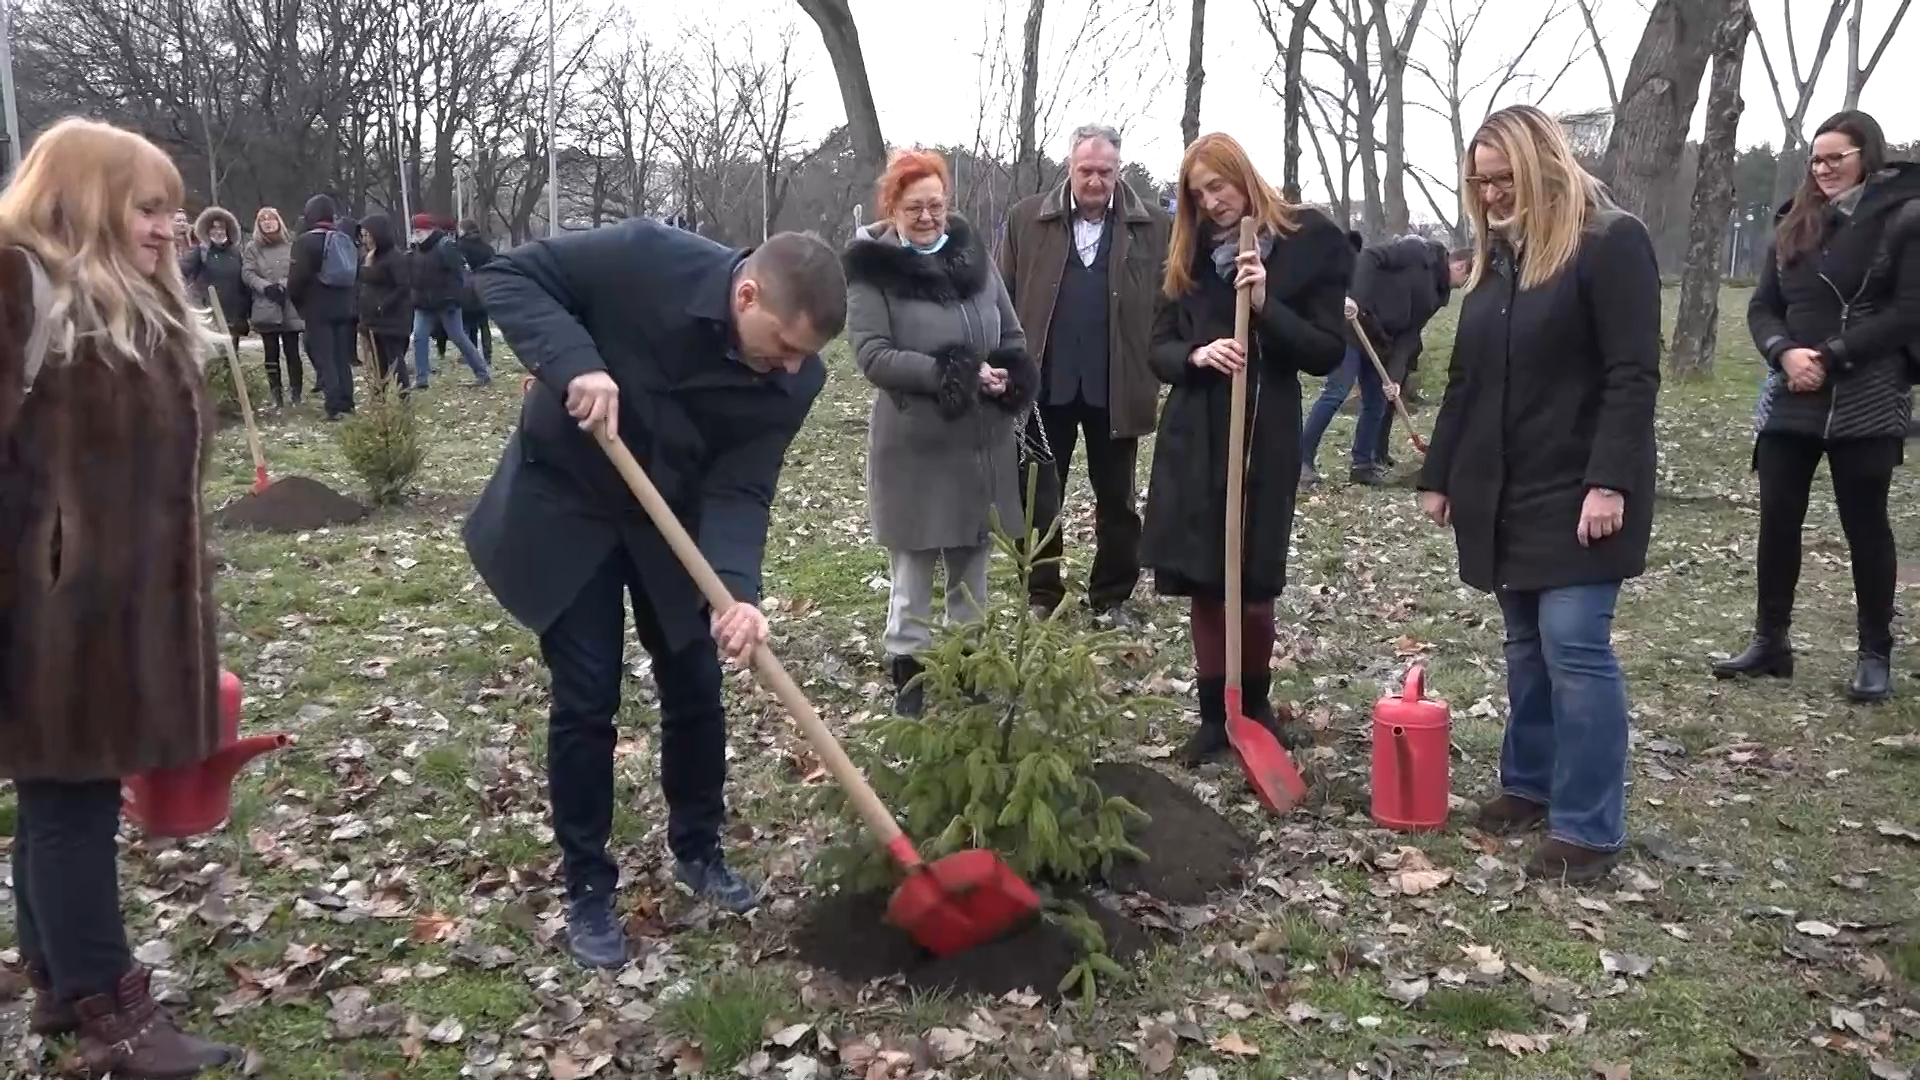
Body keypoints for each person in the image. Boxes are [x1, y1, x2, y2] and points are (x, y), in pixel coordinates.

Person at [465, 221, 846, 968]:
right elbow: (506, 276)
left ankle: (699, 848)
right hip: (568, 501)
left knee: (697, 682)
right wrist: (575, 362)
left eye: (806, 354)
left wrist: (736, 593)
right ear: (746, 293)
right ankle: (586, 887)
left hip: (673, 519)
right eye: (785, 343)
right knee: (587, 693)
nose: (791, 367)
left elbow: (743, 485)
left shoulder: (796, 378)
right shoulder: (645, 259)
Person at [0, 116, 236, 1078]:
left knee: (61, 795)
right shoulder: (17, 287)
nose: (168, 228)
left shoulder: (133, 303)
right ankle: (115, 1013)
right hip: (48, 617)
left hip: (117, 611)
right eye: (148, 207)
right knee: (70, 802)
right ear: (89, 200)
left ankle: (57, 978)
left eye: (175, 212)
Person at [1417, 104, 1662, 882]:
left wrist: (1610, 481)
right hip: (1505, 486)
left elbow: (1632, 373)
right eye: (1479, 182)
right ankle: (1528, 783)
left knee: (1574, 643)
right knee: (1524, 643)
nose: (1490, 195)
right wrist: (1441, 473)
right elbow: (1465, 377)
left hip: (1582, 486)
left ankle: (1589, 826)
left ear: (1542, 165)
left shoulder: (1609, 242)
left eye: (1503, 178)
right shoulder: (1498, 261)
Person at [1139, 132, 1352, 764]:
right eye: (1199, 194)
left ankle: (1253, 705)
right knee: (1205, 579)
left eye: (1219, 186)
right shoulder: (1187, 254)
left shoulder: (1308, 242)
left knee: (1253, 579)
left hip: (1266, 429)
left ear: (1244, 177)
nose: (1212, 202)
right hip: (1196, 433)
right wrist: (1197, 354)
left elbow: (1324, 351)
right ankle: (1213, 715)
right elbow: (1156, 348)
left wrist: (1264, 305)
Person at [1714, 110, 1920, 702]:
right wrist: (1783, 354)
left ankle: (1874, 653)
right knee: (1778, 519)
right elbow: (1762, 307)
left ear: (1868, 156)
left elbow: (1909, 310)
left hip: (1868, 389)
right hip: (1792, 391)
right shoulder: (1792, 222)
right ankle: (1770, 642)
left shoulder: (1905, 216)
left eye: (1837, 158)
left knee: (1866, 525)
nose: (1824, 168)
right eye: (1817, 158)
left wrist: (1829, 354)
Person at [845, 148, 1040, 717]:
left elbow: (1012, 330)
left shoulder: (972, 256)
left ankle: (970, 677)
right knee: (912, 577)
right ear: (893, 208)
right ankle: (909, 684)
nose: (928, 216)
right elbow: (874, 356)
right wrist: (952, 371)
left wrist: (1006, 369)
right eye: (914, 207)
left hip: (980, 446)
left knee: (971, 576)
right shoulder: (871, 270)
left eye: (937, 204)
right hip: (914, 448)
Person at [999, 124, 1168, 625]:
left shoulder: (1153, 226)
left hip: (1116, 386)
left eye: (1105, 172)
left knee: (1116, 498)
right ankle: (1042, 594)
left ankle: (1112, 596)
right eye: (1085, 170)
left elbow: (1171, 300)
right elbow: (1001, 296)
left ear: (1119, 171)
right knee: (1038, 495)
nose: (1095, 181)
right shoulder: (1026, 219)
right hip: (1043, 386)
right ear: (1069, 168)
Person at [1301, 236, 1470, 485]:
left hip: (1380, 342)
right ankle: (1302, 460)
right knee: (1336, 391)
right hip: (1352, 325)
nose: (1466, 285)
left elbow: (1410, 335)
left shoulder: (1437, 295)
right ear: (1461, 266)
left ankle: (1362, 465)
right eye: (1469, 278)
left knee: (1377, 401)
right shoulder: (1417, 252)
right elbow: (1369, 257)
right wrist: (1354, 298)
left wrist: (1395, 376)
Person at [288, 193, 357, 418]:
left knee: (325, 358)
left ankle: (333, 404)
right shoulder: (344, 239)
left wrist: (299, 303)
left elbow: (296, 280)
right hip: (343, 305)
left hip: (318, 308)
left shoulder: (305, 242)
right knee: (341, 356)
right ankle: (347, 401)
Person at [408, 212, 491, 388]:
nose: (416, 234)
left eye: (419, 230)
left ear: (430, 230)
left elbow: (460, 272)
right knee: (419, 337)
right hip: (424, 303)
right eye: (415, 231)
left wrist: (455, 296)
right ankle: (421, 378)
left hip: (446, 301)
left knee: (458, 336)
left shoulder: (445, 246)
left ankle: (482, 373)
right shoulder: (416, 249)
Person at [242, 206, 305, 407]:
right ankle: (276, 396)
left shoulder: (291, 244)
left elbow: (298, 268)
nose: (268, 222)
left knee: (293, 352)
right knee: (271, 354)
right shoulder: (252, 248)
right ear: (258, 225)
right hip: (265, 304)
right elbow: (248, 273)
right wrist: (265, 287)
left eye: (272, 219)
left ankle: (296, 394)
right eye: (263, 220)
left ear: (279, 222)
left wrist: (285, 285)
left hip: (289, 303)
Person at [356, 213, 413, 392]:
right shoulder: (369, 256)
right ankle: (379, 398)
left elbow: (403, 286)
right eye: (363, 235)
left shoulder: (394, 257)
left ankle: (404, 398)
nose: (365, 240)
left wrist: (383, 305)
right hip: (372, 318)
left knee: (395, 361)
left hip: (391, 318)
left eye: (368, 235)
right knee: (378, 362)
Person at [188, 206, 250, 353]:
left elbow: (244, 282)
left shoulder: (236, 254)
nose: (218, 231)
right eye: (214, 228)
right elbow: (184, 271)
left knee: (232, 355)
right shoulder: (201, 253)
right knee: (214, 356)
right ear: (207, 231)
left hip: (234, 314)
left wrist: (246, 309)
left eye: (221, 228)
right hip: (211, 313)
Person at [455, 218, 497, 367]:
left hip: (467, 289)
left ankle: (472, 357)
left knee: (469, 324)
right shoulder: (486, 247)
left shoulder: (460, 247)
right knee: (484, 324)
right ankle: (488, 356)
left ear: (463, 230)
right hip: (484, 287)